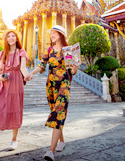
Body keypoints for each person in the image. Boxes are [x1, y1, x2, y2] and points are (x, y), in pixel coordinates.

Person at [25, 25, 77, 161]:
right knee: (55, 112)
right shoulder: (49, 50)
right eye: (51, 33)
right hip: (51, 85)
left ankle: (51, 151)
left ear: (61, 35)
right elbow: (41, 65)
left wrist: (75, 68)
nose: (52, 35)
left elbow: (73, 70)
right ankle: (62, 141)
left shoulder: (68, 51)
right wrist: (30, 73)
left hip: (64, 84)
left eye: (54, 33)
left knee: (59, 112)